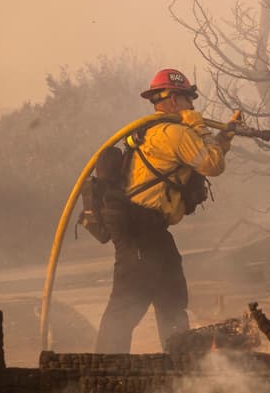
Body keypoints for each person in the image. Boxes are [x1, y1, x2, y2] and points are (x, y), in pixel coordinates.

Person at [95, 68, 236, 353]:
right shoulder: (173, 133)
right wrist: (198, 125)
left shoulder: (161, 132)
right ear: (173, 99)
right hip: (138, 230)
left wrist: (226, 137)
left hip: (152, 229)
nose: (192, 106)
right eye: (188, 99)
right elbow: (212, 164)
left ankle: (180, 365)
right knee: (127, 304)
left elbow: (205, 154)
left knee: (172, 297)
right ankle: (106, 368)